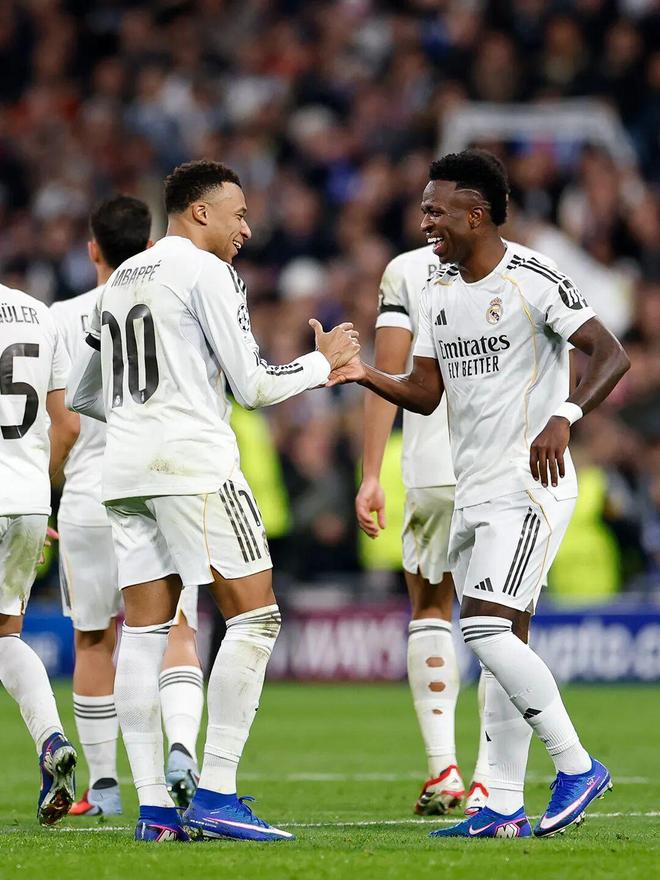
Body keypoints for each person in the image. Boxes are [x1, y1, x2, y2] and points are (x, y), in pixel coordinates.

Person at [329, 149, 629, 839]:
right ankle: (502, 805)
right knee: (503, 640)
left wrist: (566, 416)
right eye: (423, 209)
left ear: (477, 214)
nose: (425, 221)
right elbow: (425, 392)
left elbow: (611, 353)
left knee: (485, 628)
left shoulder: (533, 278)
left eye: (436, 210)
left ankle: (577, 765)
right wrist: (362, 373)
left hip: (529, 486)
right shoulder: (436, 287)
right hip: (473, 489)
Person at [66, 160, 359, 843]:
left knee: (143, 634)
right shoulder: (207, 272)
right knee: (255, 617)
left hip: (124, 471)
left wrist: (143, 416)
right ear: (201, 212)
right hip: (193, 466)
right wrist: (324, 363)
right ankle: (219, 792)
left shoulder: (120, 281)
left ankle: (155, 813)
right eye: (239, 214)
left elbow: (83, 394)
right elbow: (254, 386)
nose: (247, 228)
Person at [51, 196, 205, 817]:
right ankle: (180, 746)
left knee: (94, 639)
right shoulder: (171, 297)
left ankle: (106, 786)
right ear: (148, 247)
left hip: (89, 496)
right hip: (160, 484)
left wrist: (50, 491)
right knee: (175, 629)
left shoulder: (63, 317)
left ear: (93, 248)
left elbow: (65, 421)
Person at [0, 279, 80, 825]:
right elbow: (67, 424)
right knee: (6, 635)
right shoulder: (37, 313)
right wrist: (33, 496)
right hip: (28, 500)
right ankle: (51, 740)